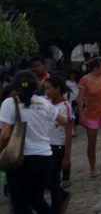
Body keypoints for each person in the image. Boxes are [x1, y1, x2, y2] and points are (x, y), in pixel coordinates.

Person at [0, 70, 69, 214]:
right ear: (35, 85)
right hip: (44, 157)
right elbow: (63, 120)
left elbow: (5, 135)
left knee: (20, 205)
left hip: (20, 160)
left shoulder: (9, 103)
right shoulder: (43, 102)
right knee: (37, 200)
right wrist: (47, 126)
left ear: (15, 85)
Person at [44, 75, 74, 213]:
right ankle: (63, 196)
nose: (46, 91)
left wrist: (66, 157)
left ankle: (57, 206)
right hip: (46, 146)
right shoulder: (45, 103)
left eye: (48, 88)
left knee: (52, 180)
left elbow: (68, 133)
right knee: (48, 180)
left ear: (57, 89)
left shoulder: (65, 106)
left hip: (58, 147)